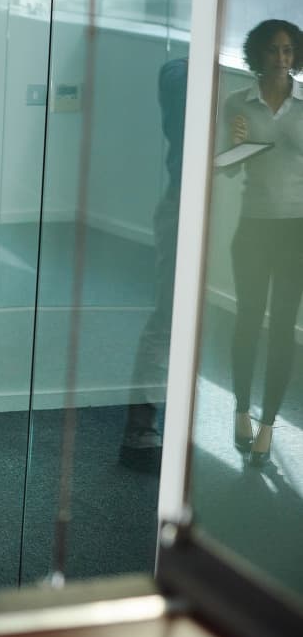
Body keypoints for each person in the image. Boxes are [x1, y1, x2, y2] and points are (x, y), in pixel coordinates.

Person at [219, 19, 303, 468]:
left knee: (284, 327)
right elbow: (226, 169)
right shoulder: (238, 102)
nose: (282, 59)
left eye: (289, 51)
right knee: (248, 322)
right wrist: (233, 144)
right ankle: (240, 410)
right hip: (252, 229)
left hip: (296, 231)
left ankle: (269, 424)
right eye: (274, 50)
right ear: (258, 55)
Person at [118, 57, 188, 473]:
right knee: (168, 319)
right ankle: (140, 430)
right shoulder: (180, 74)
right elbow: (176, 84)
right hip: (182, 207)